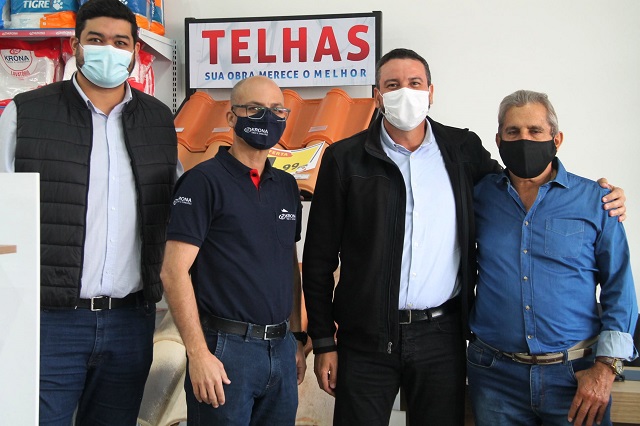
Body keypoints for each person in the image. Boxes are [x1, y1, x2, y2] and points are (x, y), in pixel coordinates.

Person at [301, 48, 627, 426]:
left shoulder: (462, 150)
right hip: (366, 337)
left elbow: (522, 183)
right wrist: (323, 341)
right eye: (392, 84)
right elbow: (319, 258)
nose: (404, 92)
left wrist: (599, 193)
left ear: (431, 92)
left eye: (415, 83)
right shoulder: (344, 159)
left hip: (442, 336)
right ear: (377, 95)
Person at [0, 0, 178, 424]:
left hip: (131, 321)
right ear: (75, 45)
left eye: (120, 42)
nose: (108, 50)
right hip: (50, 321)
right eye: (96, 39)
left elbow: (174, 207)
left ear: (135, 50)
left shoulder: (158, 121)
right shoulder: (26, 113)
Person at [467, 89, 638, 426]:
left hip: (576, 377)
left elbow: (620, 288)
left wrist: (606, 369)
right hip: (495, 377)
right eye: (513, 132)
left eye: (535, 131)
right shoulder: (477, 197)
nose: (524, 140)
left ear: (556, 139)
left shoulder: (597, 201)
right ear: (498, 141)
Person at [160, 75, 307, 425]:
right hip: (225, 351)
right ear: (231, 117)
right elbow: (173, 271)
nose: (266, 118)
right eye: (254, 109)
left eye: (276, 110)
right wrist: (198, 354)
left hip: (281, 349)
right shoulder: (202, 182)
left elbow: (288, 264)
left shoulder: (286, 186)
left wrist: (296, 339)